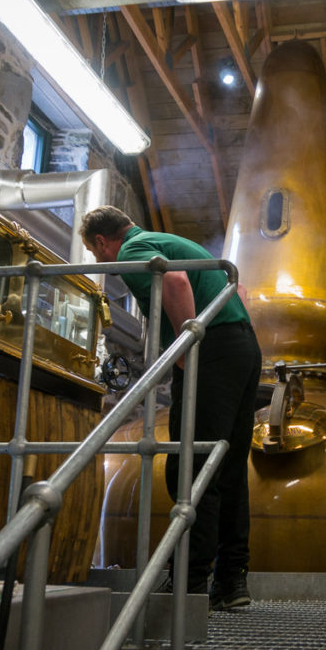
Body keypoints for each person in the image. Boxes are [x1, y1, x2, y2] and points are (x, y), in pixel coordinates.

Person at [80, 205, 261, 610]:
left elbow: (176, 282)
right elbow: (240, 292)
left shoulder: (132, 251)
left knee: (190, 464)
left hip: (212, 349)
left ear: (102, 242)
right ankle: (232, 582)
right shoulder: (172, 241)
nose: (100, 262)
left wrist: (187, 346)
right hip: (243, 346)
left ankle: (188, 583)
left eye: (96, 255)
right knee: (225, 466)